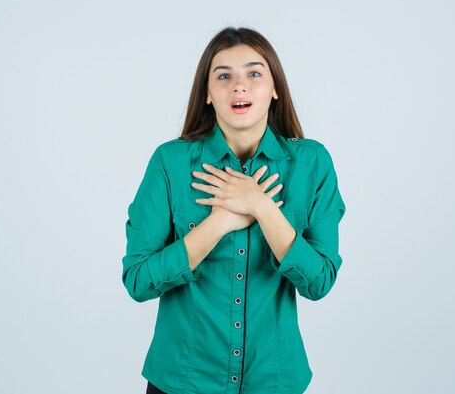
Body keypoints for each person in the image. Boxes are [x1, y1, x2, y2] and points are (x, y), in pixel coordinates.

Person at [121, 26, 346, 394]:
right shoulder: (170, 162)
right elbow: (138, 280)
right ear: (207, 94)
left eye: (254, 73)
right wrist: (219, 223)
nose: (239, 86)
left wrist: (261, 206)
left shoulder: (311, 164)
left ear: (274, 89)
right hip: (182, 381)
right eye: (223, 76)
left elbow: (319, 281)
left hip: (273, 381)